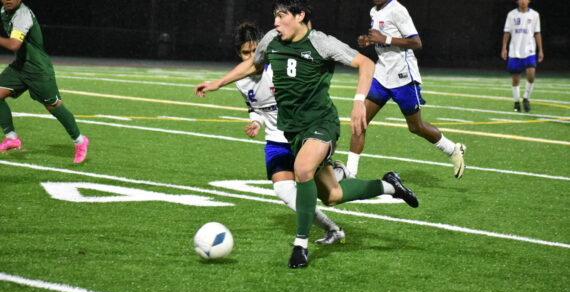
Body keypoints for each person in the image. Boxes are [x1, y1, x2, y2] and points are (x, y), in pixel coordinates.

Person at [195, 0, 418, 269]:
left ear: (299, 16)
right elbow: (254, 65)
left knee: (302, 169)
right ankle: (391, 186)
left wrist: (360, 101)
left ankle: (300, 246)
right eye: (274, 17)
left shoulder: (321, 43)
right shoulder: (271, 40)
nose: (276, 23)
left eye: (281, 16)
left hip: (321, 123)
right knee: (333, 195)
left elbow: (366, 64)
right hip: (294, 130)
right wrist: (218, 83)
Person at [234, 22, 347, 245]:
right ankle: (332, 229)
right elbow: (254, 107)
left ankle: (338, 174)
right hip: (276, 141)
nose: (250, 56)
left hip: (301, 135)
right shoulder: (241, 80)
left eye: (254, 51)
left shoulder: (280, 66)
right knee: (285, 191)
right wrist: (256, 122)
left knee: (329, 195)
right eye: (245, 52)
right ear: (238, 53)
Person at [346, 0, 466, 179]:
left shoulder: (397, 10)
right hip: (381, 75)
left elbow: (416, 42)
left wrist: (383, 39)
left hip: (403, 78)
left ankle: (452, 150)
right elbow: (382, 39)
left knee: (416, 127)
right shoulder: (374, 11)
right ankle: (350, 175)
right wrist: (369, 41)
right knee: (359, 122)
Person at [0, 0, 89, 163]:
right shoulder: (4, 11)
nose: (8, 0)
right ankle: (12, 138)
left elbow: (14, 45)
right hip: (19, 67)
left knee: (54, 107)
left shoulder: (22, 15)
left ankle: (80, 141)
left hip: (38, 70)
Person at [501, 0, 543, 112]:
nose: (523, 1)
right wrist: (504, 48)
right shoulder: (511, 14)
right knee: (515, 78)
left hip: (529, 50)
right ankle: (516, 102)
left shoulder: (535, 15)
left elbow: (537, 33)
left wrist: (540, 50)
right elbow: (506, 32)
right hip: (515, 51)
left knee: (531, 75)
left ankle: (526, 98)